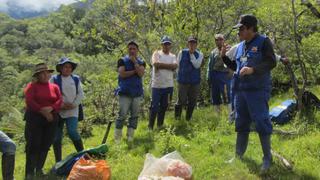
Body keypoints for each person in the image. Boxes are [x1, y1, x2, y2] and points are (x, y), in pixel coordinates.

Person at [221, 14, 277, 172]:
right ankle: (238, 155)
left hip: (258, 91)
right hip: (241, 92)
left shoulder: (263, 42)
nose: (239, 32)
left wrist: (253, 70)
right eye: (238, 29)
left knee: (261, 122)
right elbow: (235, 66)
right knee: (241, 122)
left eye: (241, 29)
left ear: (251, 28)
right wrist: (224, 57)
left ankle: (267, 158)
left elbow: (271, 61)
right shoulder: (240, 46)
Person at [24, 63, 62, 178]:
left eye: (47, 73)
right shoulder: (32, 86)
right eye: (42, 73)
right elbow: (29, 101)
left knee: (46, 144)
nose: (45, 75)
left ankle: (39, 169)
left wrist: (51, 108)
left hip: (51, 118)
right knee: (33, 144)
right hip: (35, 118)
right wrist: (43, 111)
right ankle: (29, 172)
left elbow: (60, 100)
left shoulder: (54, 87)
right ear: (37, 75)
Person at [51, 57, 85, 163]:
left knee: (72, 131)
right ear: (60, 68)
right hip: (58, 111)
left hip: (72, 110)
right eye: (65, 67)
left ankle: (83, 155)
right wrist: (60, 105)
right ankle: (58, 162)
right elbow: (51, 94)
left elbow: (80, 94)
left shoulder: (75, 79)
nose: (67, 69)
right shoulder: (54, 79)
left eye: (70, 67)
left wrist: (74, 104)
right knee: (57, 137)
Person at [114, 41, 146, 143]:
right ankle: (117, 138)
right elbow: (122, 74)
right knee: (122, 114)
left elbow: (141, 74)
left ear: (137, 50)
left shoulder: (141, 62)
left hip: (137, 93)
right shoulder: (122, 60)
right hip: (125, 92)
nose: (132, 50)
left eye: (134, 49)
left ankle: (130, 136)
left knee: (135, 115)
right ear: (127, 49)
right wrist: (135, 71)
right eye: (130, 48)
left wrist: (135, 63)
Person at [149, 36, 177, 130]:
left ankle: (159, 125)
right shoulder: (156, 53)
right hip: (157, 85)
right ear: (161, 44)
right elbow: (155, 64)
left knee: (164, 106)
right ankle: (150, 127)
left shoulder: (173, 56)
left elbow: (175, 66)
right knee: (154, 107)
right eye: (165, 44)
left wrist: (161, 66)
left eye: (168, 44)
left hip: (168, 85)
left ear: (170, 45)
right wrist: (169, 66)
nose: (166, 45)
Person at [175, 36, 204, 121]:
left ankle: (188, 119)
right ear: (188, 44)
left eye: (193, 43)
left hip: (194, 82)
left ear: (196, 44)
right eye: (190, 43)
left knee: (192, 101)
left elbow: (197, 65)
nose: (192, 44)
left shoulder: (200, 54)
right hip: (183, 82)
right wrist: (179, 76)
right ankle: (177, 120)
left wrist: (191, 54)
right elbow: (177, 65)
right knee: (181, 101)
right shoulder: (182, 52)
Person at [207, 34, 232, 113]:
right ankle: (217, 115)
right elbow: (210, 65)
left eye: (220, 39)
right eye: (217, 40)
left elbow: (233, 62)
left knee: (227, 95)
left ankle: (230, 114)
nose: (219, 41)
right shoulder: (213, 52)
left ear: (223, 40)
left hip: (225, 75)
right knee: (215, 95)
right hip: (215, 75)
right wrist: (208, 76)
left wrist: (231, 73)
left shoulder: (229, 49)